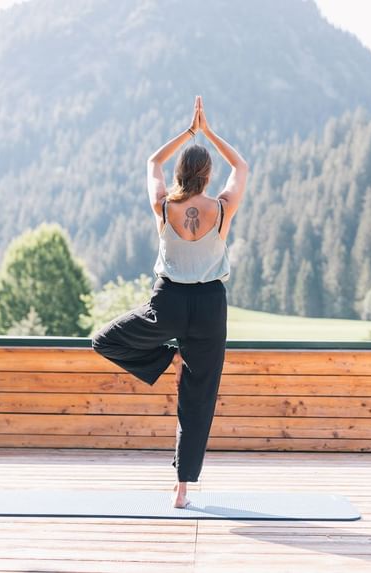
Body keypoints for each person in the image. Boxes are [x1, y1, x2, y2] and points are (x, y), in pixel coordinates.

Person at [91, 95, 249, 508]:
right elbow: (242, 167)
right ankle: (181, 490)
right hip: (210, 307)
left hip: (169, 304)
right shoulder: (221, 208)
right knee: (198, 397)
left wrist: (188, 131)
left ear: (180, 171)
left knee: (103, 340)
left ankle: (164, 358)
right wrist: (209, 132)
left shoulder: (163, 206)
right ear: (209, 174)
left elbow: (151, 162)